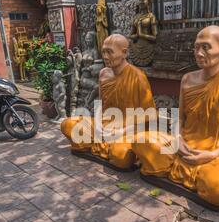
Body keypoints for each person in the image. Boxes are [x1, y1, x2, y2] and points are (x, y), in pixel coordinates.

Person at [132, 26, 219, 208]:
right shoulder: (187, 79)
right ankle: (187, 172)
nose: (199, 53)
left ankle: (186, 172)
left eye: (206, 47)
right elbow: (180, 118)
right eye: (196, 47)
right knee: (141, 140)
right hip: (184, 148)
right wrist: (178, 139)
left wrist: (211, 154)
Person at [61, 34, 156, 170]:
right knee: (67, 124)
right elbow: (100, 102)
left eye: (109, 52)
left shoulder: (138, 77)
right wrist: (99, 126)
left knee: (121, 156)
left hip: (128, 131)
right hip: (103, 127)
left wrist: (121, 131)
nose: (105, 56)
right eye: (103, 51)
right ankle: (98, 143)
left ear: (124, 53)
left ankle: (106, 147)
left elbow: (149, 116)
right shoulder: (103, 74)